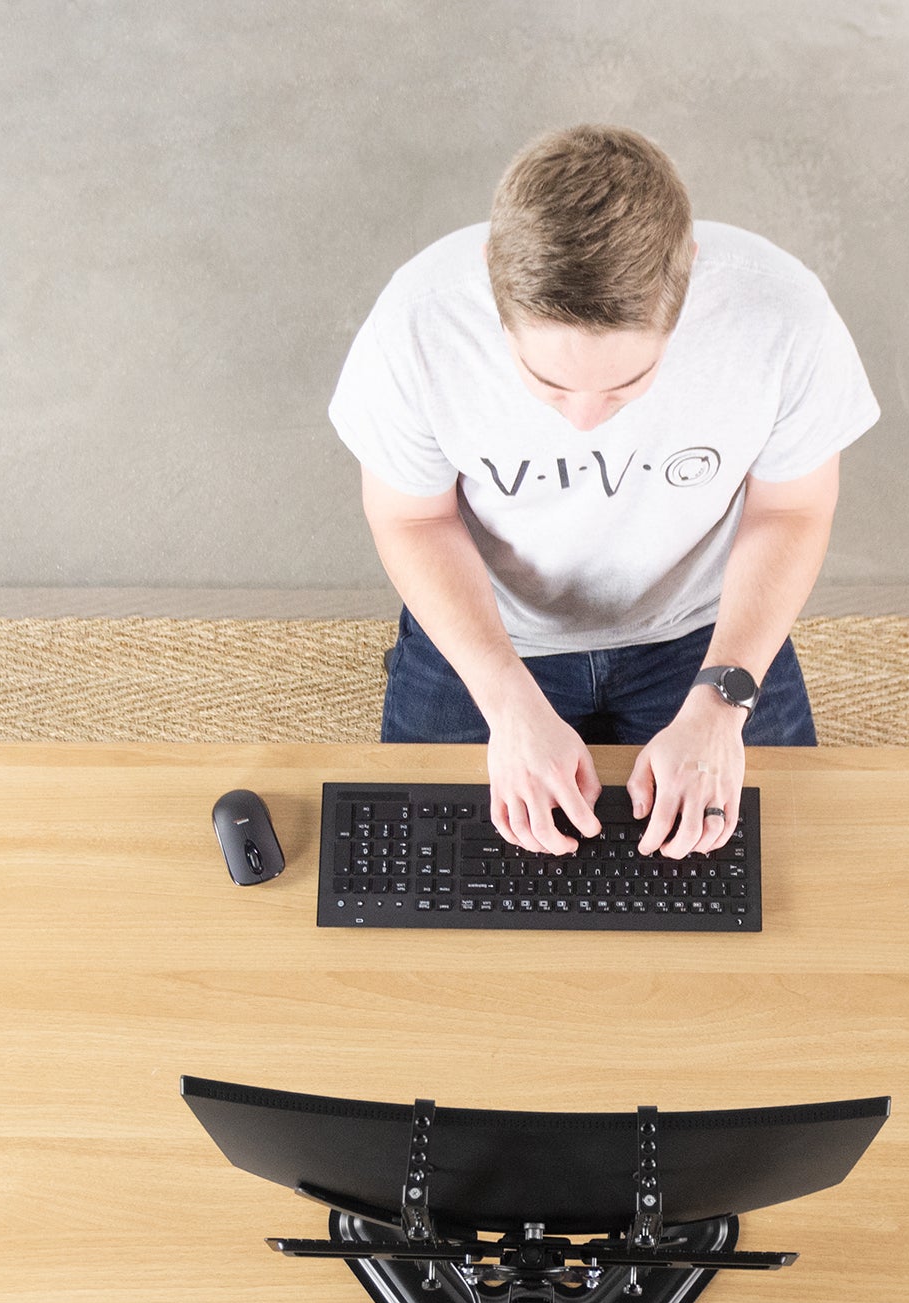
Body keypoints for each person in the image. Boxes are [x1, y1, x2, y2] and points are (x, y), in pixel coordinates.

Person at [328, 124, 878, 859]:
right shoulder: (417, 324)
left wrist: (717, 707)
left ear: (687, 273)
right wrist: (507, 701)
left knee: (791, 866)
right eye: (547, 383)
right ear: (493, 277)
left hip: (699, 628)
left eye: (627, 385)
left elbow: (793, 508)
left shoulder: (781, 316)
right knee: (417, 868)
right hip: (497, 625)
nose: (585, 421)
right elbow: (409, 517)